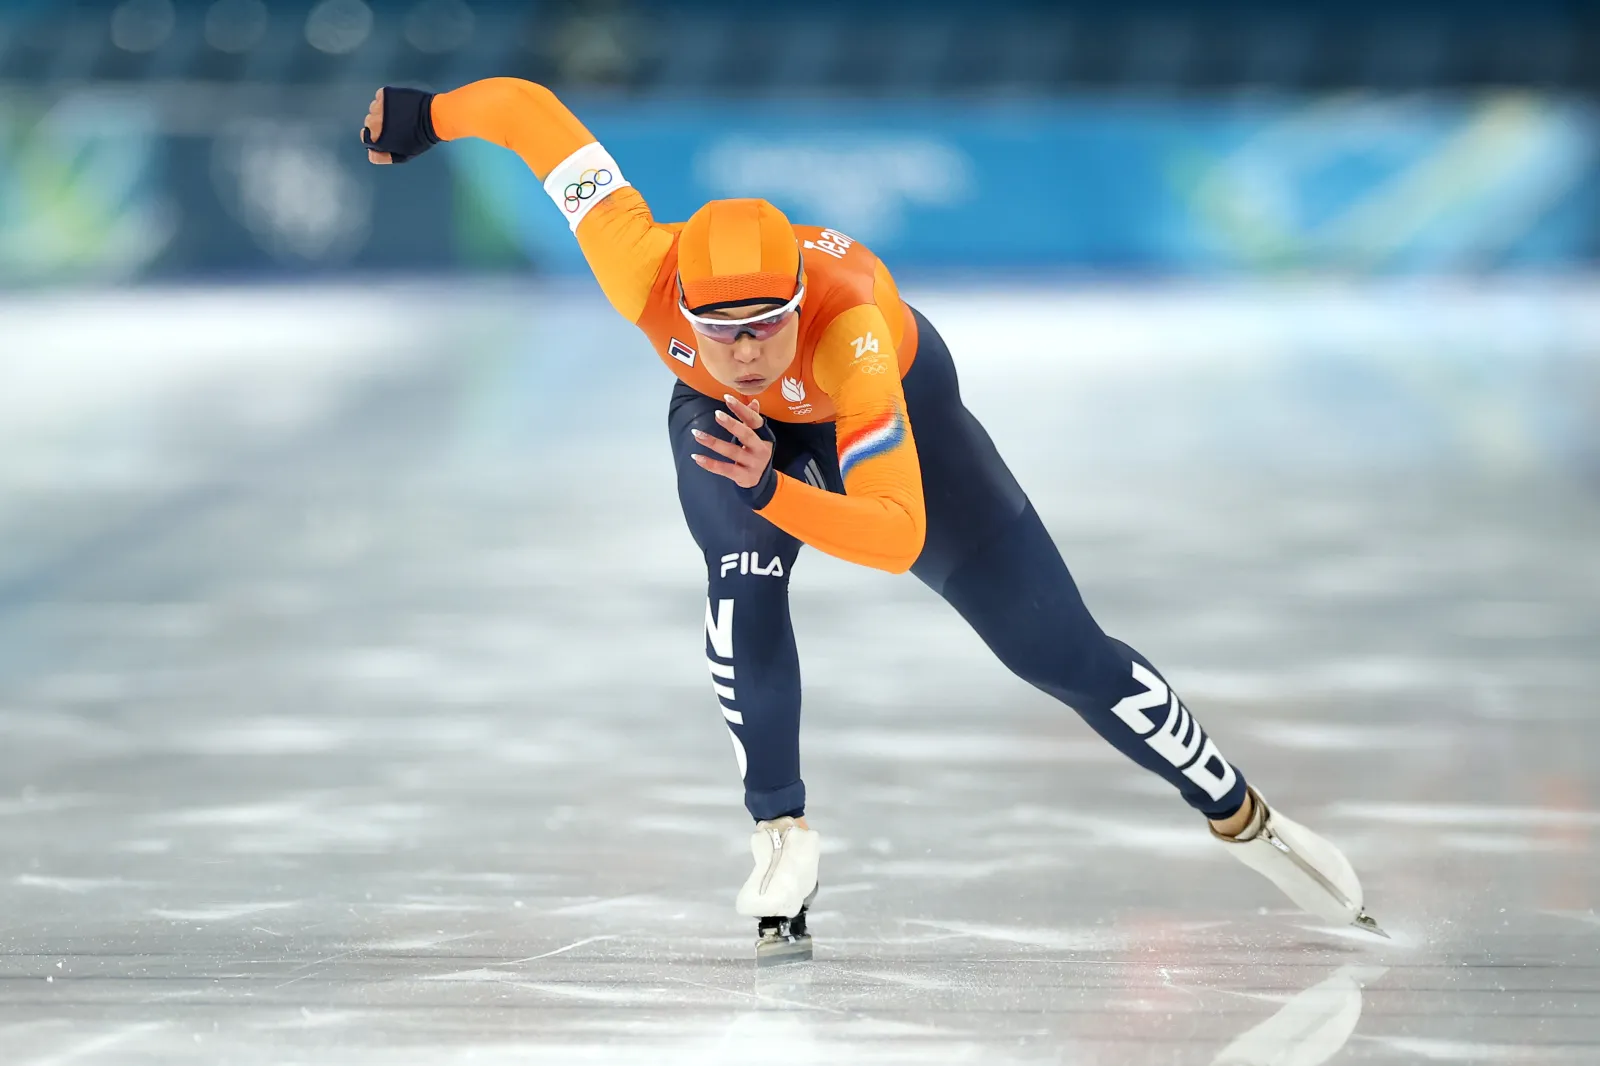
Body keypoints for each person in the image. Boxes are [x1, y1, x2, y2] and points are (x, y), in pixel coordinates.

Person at [359, 79, 1384, 963]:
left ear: (799, 301)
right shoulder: (637, 261)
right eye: (721, 332)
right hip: (732, 434)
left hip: (892, 414)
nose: (746, 353)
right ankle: (780, 830)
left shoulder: (849, 328)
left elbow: (892, 534)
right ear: (687, 309)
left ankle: (1241, 813)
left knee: (1056, 649)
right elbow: (531, 116)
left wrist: (776, 487)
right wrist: (428, 115)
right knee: (742, 580)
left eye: (766, 326)